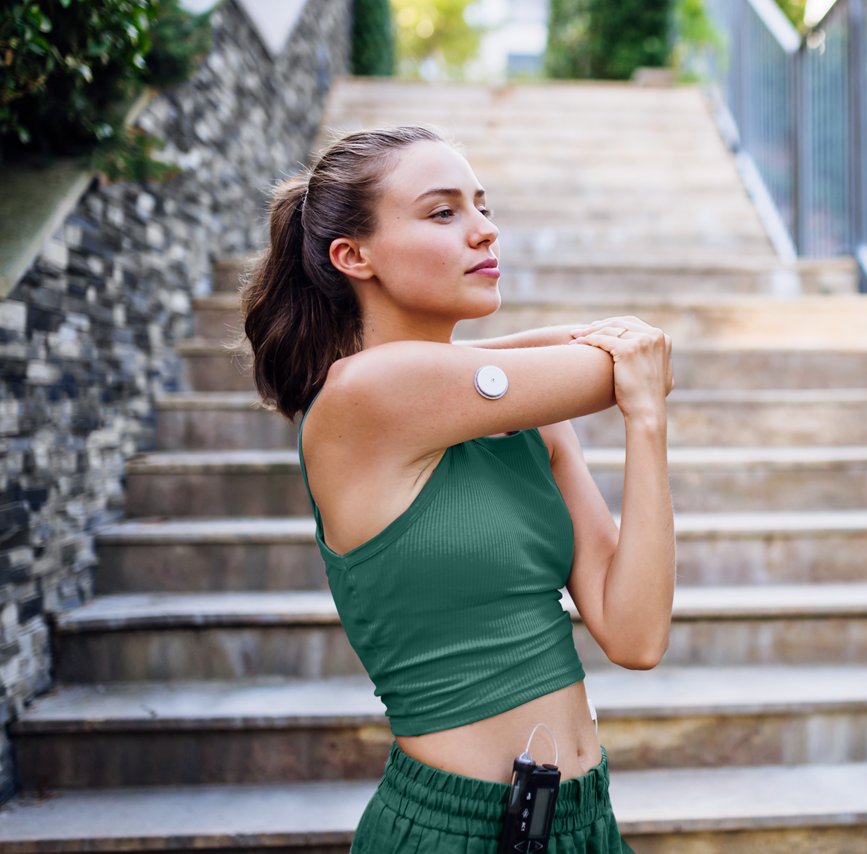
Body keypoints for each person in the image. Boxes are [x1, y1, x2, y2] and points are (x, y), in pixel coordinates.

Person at [240, 124, 675, 852]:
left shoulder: (525, 418)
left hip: (583, 823)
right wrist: (633, 377)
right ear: (354, 256)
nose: (484, 230)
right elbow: (609, 362)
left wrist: (648, 426)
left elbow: (636, 635)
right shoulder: (363, 395)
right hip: (455, 830)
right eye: (444, 212)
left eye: (482, 206)